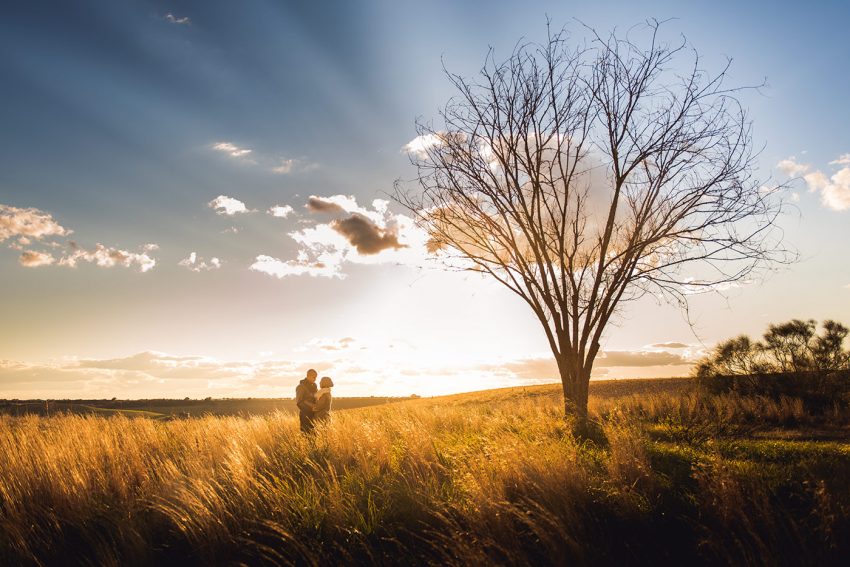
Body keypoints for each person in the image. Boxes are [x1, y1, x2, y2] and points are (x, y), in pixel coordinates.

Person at [295, 369, 318, 433]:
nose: (315, 379)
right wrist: (310, 407)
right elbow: (299, 402)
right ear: (308, 376)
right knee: (306, 433)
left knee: (314, 434)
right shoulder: (301, 387)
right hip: (305, 414)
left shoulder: (314, 386)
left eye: (316, 377)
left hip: (314, 414)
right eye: (314, 377)